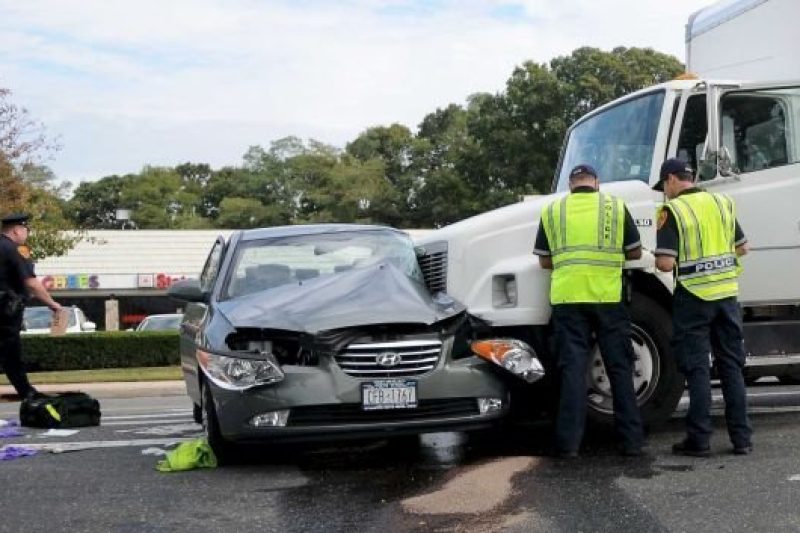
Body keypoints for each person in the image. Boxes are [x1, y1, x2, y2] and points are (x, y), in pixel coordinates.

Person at [533, 164, 645, 458]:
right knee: (620, 369)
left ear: (571, 185)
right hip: (608, 298)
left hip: (568, 300)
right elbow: (634, 251)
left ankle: (568, 445)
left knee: (572, 371)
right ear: (597, 182)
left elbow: (544, 261)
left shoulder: (552, 211)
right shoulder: (615, 207)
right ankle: (631, 442)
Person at [653, 158, 752, 457]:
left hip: (694, 297)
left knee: (697, 368)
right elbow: (743, 247)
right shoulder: (722, 203)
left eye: (663, 187)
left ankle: (699, 440)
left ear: (671, 180)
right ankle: (742, 440)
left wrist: (655, 255)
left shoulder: (672, 211)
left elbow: (665, 262)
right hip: (727, 295)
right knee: (731, 366)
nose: (664, 193)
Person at [0, 213, 62, 400]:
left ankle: (26, 390)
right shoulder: (17, 249)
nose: (27, 234)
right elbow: (31, 283)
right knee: (11, 351)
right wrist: (52, 304)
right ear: (17, 230)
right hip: (5, 310)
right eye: (26, 230)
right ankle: (27, 392)